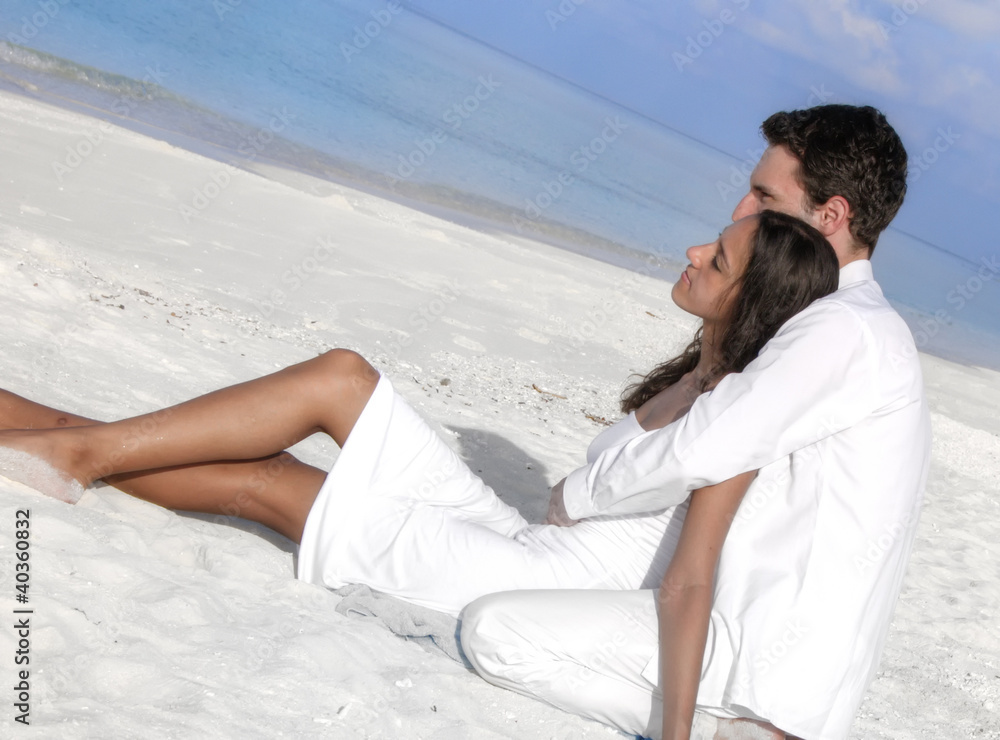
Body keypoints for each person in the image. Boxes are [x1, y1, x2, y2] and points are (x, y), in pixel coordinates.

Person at [0, 212, 834, 627]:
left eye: (715, 259)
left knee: (271, 484)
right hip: (512, 538)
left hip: (510, 582)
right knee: (341, 378)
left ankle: (72, 449)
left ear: (751, 300)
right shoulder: (702, 367)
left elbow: (693, 581)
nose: (693, 253)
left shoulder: (733, 423)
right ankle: (69, 444)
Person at [461, 104, 931, 740]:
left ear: (831, 215)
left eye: (765, 195)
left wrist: (574, 496)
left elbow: (700, 450)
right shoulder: (836, 322)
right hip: (752, 657)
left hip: (758, 674)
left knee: (495, 631)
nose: (742, 210)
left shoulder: (842, 328)